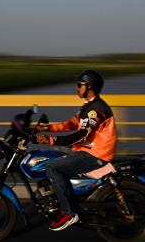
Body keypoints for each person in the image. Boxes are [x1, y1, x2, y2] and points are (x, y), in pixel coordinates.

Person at [34, 69, 118, 231]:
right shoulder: (88, 107)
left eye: (79, 85)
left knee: (52, 167)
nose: (76, 88)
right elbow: (70, 124)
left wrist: (51, 140)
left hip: (95, 154)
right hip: (87, 150)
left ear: (89, 87)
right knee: (55, 157)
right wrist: (45, 128)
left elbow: (81, 134)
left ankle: (69, 212)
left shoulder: (96, 110)